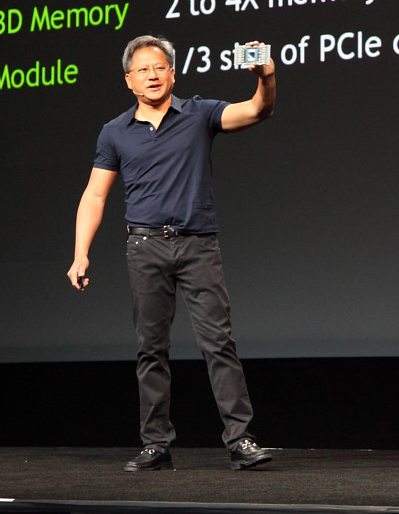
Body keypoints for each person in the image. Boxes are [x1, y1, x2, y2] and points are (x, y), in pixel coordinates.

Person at [68, 35, 276, 472]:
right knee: (151, 348)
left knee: (218, 343)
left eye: (160, 67)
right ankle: (156, 444)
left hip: (198, 244)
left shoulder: (199, 113)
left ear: (173, 74)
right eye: (143, 70)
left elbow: (258, 110)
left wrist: (266, 77)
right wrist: (80, 252)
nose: (152, 75)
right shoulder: (114, 131)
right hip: (145, 246)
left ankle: (241, 440)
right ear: (129, 80)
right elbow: (95, 195)